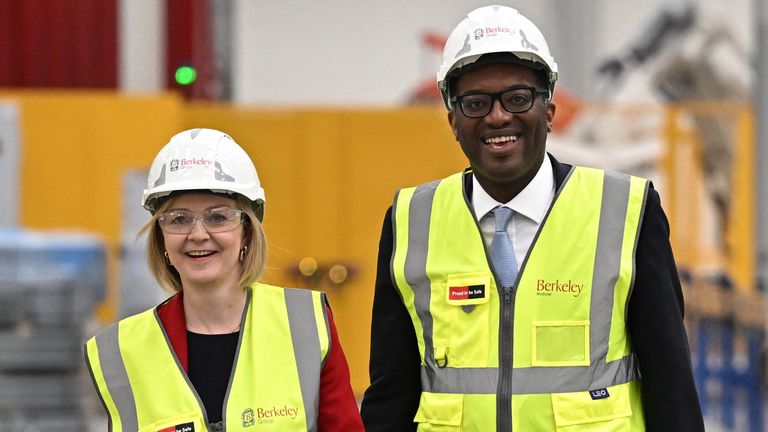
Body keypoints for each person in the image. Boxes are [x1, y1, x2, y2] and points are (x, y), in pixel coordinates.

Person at [361, 5, 704, 431]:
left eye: (518, 98)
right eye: (475, 103)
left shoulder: (626, 211)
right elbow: (391, 396)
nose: (498, 115)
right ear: (452, 120)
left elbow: (671, 390)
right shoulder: (411, 221)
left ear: (549, 111)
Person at [84, 128, 364, 431]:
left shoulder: (305, 325)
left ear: (246, 231)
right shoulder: (123, 350)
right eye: (179, 219)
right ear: (162, 239)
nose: (198, 234)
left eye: (218, 217)